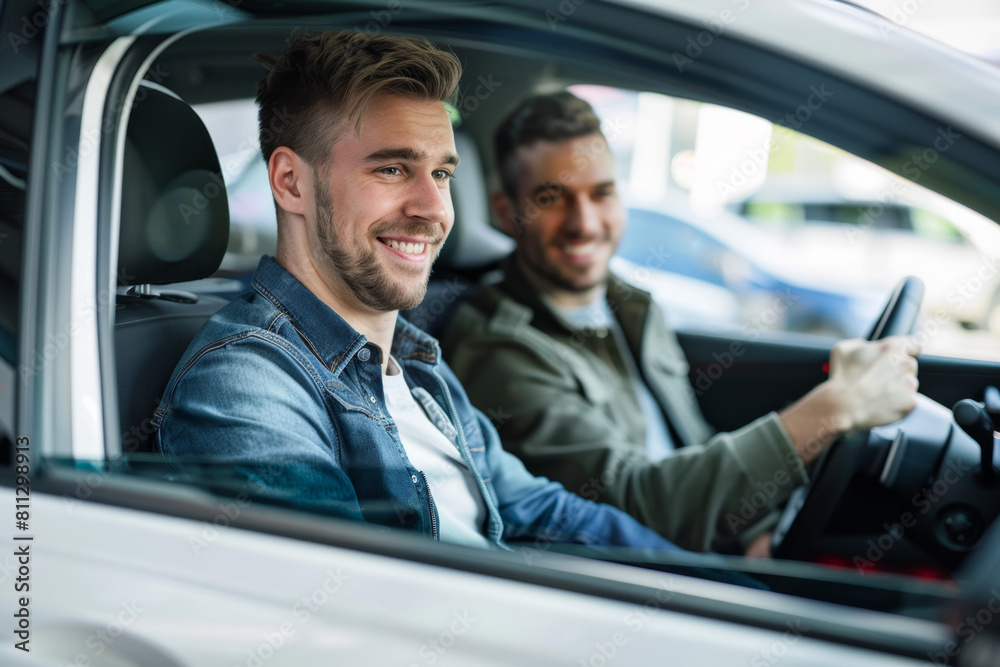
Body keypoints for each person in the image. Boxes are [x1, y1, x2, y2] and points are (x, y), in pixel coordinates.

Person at [154, 31, 685, 553]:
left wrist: (712, 583)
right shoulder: (246, 383)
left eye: (441, 173)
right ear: (291, 181)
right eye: (391, 168)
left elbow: (543, 511)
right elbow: (349, 610)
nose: (434, 209)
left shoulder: (418, 363)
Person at [441, 91, 920, 554]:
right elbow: (635, 506)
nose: (584, 222)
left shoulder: (629, 305)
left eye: (602, 193)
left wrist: (758, 532)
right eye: (552, 198)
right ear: (507, 213)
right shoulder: (498, 350)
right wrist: (833, 409)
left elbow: (692, 443)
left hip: (717, 546)